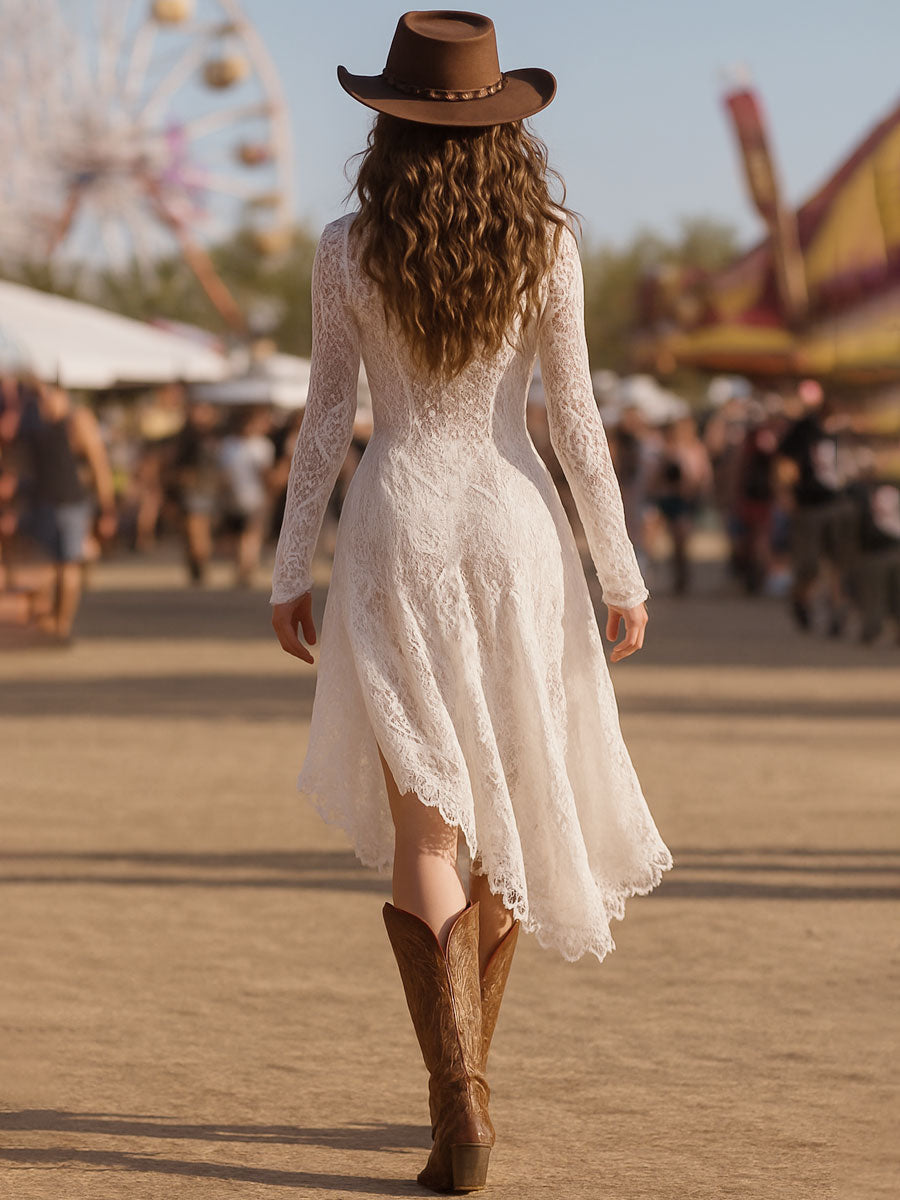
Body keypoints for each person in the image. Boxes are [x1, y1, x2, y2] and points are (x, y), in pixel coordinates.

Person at [270, 13, 673, 1194]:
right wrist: (621, 572)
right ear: (506, 124)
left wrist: (293, 565)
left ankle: (461, 1105)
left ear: (386, 120)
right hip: (516, 529)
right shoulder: (548, 242)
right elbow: (579, 424)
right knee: (498, 806)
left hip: (398, 525)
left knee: (428, 826)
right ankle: (468, 1104)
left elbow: (322, 421)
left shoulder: (347, 246)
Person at [14, 381, 116, 642]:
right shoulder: (33, 422)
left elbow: (98, 464)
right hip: (49, 504)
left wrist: (107, 508)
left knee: (65, 564)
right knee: (52, 565)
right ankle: (52, 622)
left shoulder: (74, 421)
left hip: (69, 504)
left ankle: (61, 624)